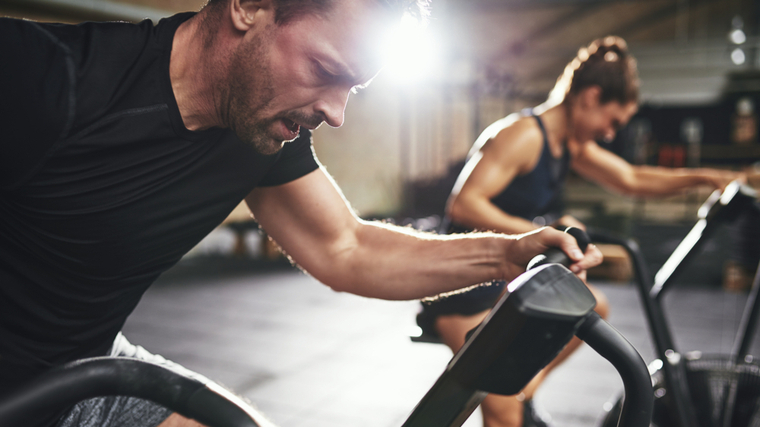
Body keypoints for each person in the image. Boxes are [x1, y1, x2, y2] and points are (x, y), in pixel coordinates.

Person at [0, 1, 603, 427]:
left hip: (86, 372)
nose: (338, 113)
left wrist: (508, 253)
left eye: (354, 88)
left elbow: (347, 248)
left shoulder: (260, 134)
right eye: (325, 72)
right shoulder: (46, 76)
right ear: (249, 6)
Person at [417, 36, 744, 427]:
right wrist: (543, 232)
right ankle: (511, 399)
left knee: (593, 307)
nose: (610, 133)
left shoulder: (567, 144)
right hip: (467, 283)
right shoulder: (523, 135)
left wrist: (708, 177)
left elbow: (631, 178)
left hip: (510, 277)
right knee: (503, 413)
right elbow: (465, 204)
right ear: (590, 97)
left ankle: (520, 391)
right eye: (613, 120)